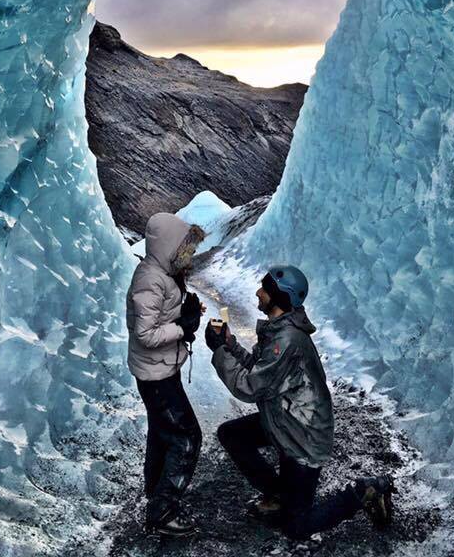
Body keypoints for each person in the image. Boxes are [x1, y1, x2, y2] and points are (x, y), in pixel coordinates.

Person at [205, 265, 394, 540]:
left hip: (302, 437)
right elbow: (259, 370)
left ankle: (364, 492)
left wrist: (220, 351)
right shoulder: (278, 331)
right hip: (284, 420)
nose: (258, 293)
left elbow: (249, 386)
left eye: (265, 289)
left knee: (297, 526)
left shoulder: (287, 339)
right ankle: (281, 493)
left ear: (279, 296)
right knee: (231, 434)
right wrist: (231, 345)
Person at [126, 212, 206, 537]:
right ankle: (162, 511)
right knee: (187, 437)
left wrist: (186, 313)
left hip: (160, 371)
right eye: (185, 247)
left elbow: (160, 316)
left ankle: (154, 493)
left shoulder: (162, 273)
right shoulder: (150, 278)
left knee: (162, 432)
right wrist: (182, 327)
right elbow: (144, 333)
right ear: (169, 246)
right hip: (155, 376)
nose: (189, 254)